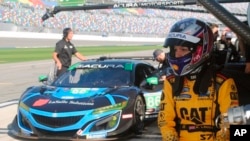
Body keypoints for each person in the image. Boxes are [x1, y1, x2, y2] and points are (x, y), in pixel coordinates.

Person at [157, 18, 239, 141]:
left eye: (183, 49)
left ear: (201, 50)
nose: (177, 54)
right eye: (175, 49)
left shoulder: (222, 82)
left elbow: (232, 123)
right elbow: (165, 121)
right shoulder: (171, 81)